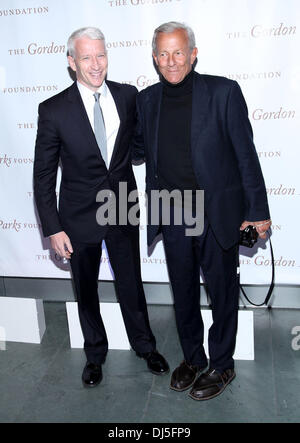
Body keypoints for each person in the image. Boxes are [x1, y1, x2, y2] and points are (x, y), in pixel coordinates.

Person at [132, 21, 271, 401]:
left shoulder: (223, 92)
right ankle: (194, 358)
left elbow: (246, 156)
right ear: (155, 58)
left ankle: (222, 364)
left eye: (178, 52)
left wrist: (257, 211)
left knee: (222, 292)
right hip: (173, 211)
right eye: (163, 53)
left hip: (216, 212)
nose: (171, 61)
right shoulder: (146, 101)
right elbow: (138, 150)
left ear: (193, 54)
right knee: (183, 292)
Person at [33, 27, 169, 388]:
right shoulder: (53, 110)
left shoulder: (128, 96)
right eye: (87, 57)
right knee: (86, 288)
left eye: (101, 55)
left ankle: (145, 346)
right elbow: (43, 176)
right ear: (71, 62)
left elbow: (137, 144)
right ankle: (95, 354)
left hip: (123, 203)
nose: (96, 64)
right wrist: (53, 227)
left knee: (131, 283)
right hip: (76, 215)